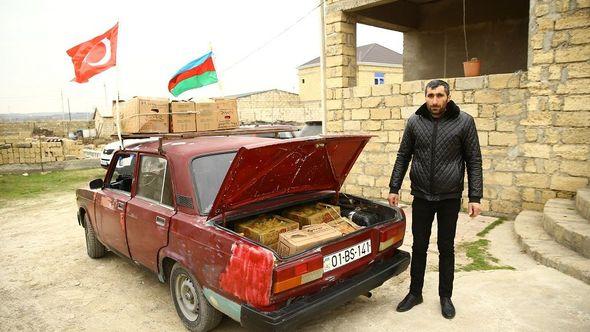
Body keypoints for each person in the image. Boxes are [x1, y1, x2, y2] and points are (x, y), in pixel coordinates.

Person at [388, 79, 483, 319]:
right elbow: (403, 155)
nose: (435, 101)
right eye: (430, 96)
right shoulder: (414, 122)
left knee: (446, 248)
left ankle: (445, 297)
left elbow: (474, 160)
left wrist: (475, 196)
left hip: (449, 197)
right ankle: (415, 293)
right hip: (421, 195)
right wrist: (394, 187)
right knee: (419, 246)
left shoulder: (464, 122)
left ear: (448, 97)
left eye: (440, 96)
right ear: (425, 97)